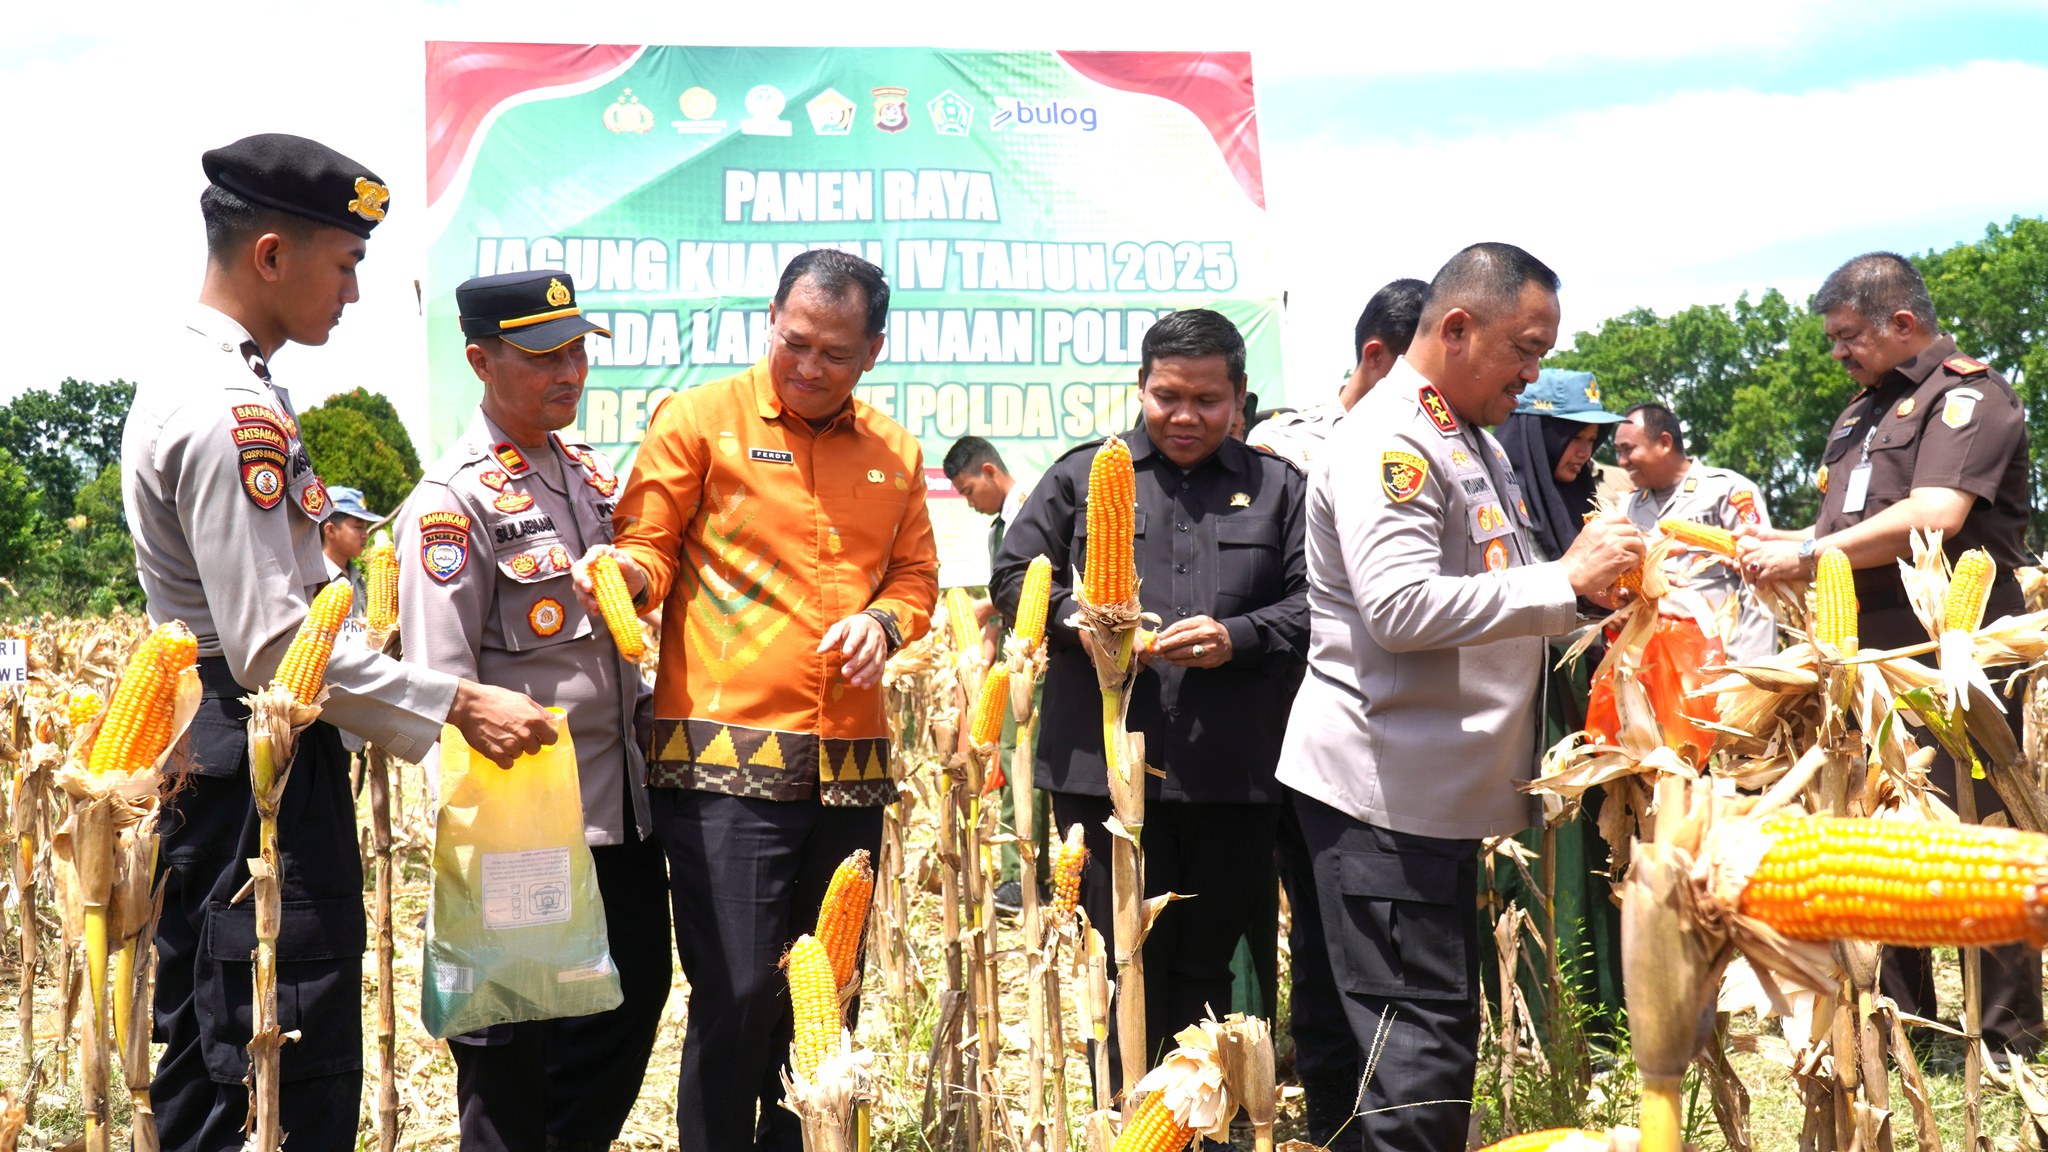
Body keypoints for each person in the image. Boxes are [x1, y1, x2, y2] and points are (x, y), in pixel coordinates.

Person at [124, 133, 557, 1152]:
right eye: (347, 263)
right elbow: (276, 648)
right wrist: (457, 702)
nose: (355, 293)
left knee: (226, 1042)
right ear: (272, 255)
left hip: (227, 745)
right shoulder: (228, 409)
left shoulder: (220, 380)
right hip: (249, 756)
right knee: (270, 1058)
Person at [1275, 243, 1644, 1147]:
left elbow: (1492, 587)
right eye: (1526, 348)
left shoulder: (1466, 434)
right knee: (1418, 1058)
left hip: (1428, 796)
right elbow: (1400, 609)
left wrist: (1592, 598)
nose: (1534, 373)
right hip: (1383, 799)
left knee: (1403, 1048)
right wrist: (1563, 579)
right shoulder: (1393, 441)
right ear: (1456, 328)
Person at [581, 248, 938, 1150]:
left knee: (824, 1006)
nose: (810, 367)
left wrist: (884, 624)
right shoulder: (699, 421)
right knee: (738, 993)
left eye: (836, 353)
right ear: (770, 321)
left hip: (849, 771)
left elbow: (916, 578)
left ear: (874, 352)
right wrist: (627, 576)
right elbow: (649, 544)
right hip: (720, 767)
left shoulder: (894, 453)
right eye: (795, 343)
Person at [993, 307, 1310, 1091]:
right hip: (1098, 775)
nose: (1185, 416)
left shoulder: (1278, 489)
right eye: (1168, 396)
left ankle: (1200, 1121)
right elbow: (1015, 577)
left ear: (1239, 396)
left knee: (1204, 963)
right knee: (1115, 962)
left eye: (1207, 400)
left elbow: (1318, 603)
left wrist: (1238, 636)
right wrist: (1084, 624)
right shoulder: (1080, 477)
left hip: (1231, 776)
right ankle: (1123, 1118)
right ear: (1141, 387)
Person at [1737, 251, 2041, 1055]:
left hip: (1953, 651)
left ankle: (2005, 1034)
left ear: (1901, 323)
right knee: (1883, 830)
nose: (1836, 352)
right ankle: (1909, 1026)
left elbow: (1935, 515)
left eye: (1847, 336)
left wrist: (1807, 556)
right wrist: (1782, 545)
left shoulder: (1969, 397)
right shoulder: (1858, 414)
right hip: (1864, 662)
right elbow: (1844, 532)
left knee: (1977, 830)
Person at [397, 270, 671, 1152]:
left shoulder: (588, 476)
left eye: (579, 351)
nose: (572, 371)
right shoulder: (453, 502)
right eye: (545, 356)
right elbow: (440, 684)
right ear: (480, 361)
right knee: (516, 1059)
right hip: (528, 832)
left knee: (629, 1012)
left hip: (621, 816)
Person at [1244, 277, 1428, 1151]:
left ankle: (1391, 1112)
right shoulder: (1287, 448)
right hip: (1307, 730)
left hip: (1404, 736)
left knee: (1391, 947)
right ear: (1378, 357)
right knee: (1322, 938)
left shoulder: (1441, 441)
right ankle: (1333, 1121)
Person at [941, 435, 1035, 913]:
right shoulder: (1000, 526)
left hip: (1037, 663)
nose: (969, 503)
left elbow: (1037, 581)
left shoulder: (1034, 511)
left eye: (968, 490)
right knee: (1010, 762)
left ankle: (1021, 879)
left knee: (1022, 764)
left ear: (989, 472)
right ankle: (1022, 873)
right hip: (1014, 658)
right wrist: (991, 640)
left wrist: (988, 605)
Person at [1614, 402, 1778, 662]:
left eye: (1628, 449)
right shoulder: (1627, 507)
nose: (1622, 461)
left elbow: (1760, 582)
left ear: (1664, 443)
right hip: (1651, 663)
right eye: (1618, 452)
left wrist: (1753, 668)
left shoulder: (1727, 491)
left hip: (1719, 660)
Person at [1247, 278, 1430, 468]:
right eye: (1417, 369)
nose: (1427, 385)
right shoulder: (1282, 441)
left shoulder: (1431, 448)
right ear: (1374, 355)